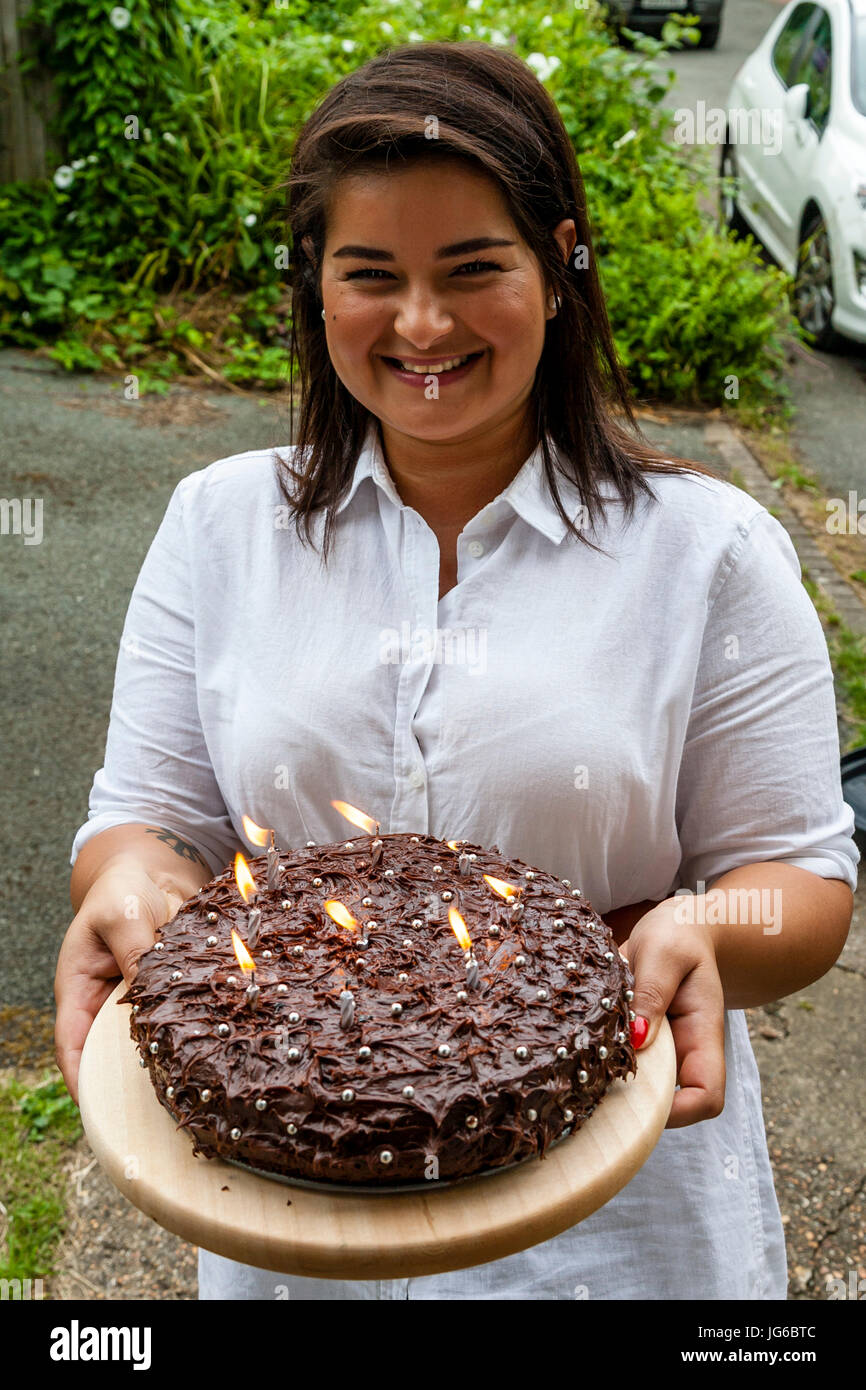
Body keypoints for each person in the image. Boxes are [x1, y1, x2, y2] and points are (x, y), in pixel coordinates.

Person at [57, 41, 857, 1300]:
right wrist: (131, 886)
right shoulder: (217, 528)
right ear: (316, 294)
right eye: (369, 275)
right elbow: (143, 823)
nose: (420, 324)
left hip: (617, 1227)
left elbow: (801, 883)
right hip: (291, 1223)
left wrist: (697, 925)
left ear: (556, 271)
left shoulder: (708, 554)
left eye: (472, 270)